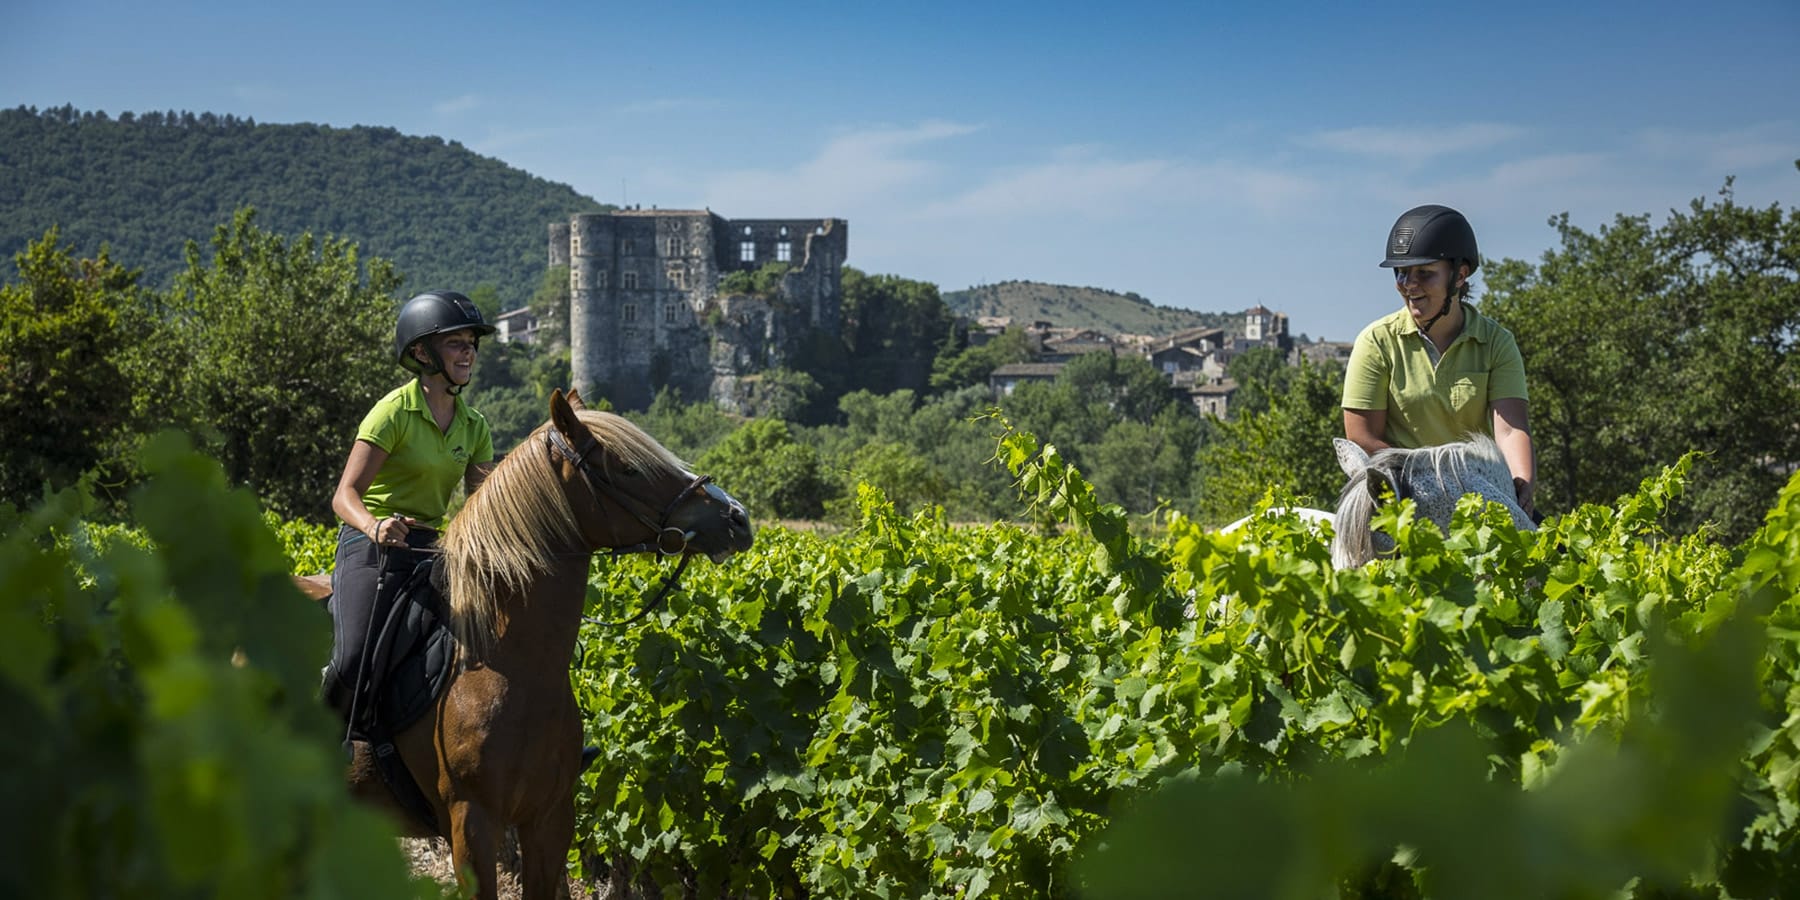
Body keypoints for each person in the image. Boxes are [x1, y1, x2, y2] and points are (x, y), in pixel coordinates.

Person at [323, 290, 496, 717]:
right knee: (353, 657)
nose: (468, 353)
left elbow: (484, 505)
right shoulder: (393, 413)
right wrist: (376, 526)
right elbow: (344, 496)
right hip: (372, 548)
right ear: (422, 351)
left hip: (430, 550)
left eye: (471, 344)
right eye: (456, 343)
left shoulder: (475, 427)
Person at [1341, 204, 1537, 515]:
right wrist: (1429, 479)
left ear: (1459, 275)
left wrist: (1521, 481)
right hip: (1397, 496)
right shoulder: (1376, 341)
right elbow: (1363, 436)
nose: (1408, 284)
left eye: (1425, 273)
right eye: (1401, 272)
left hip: (1475, 494)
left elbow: (1511, 430)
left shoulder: (1497, 342)